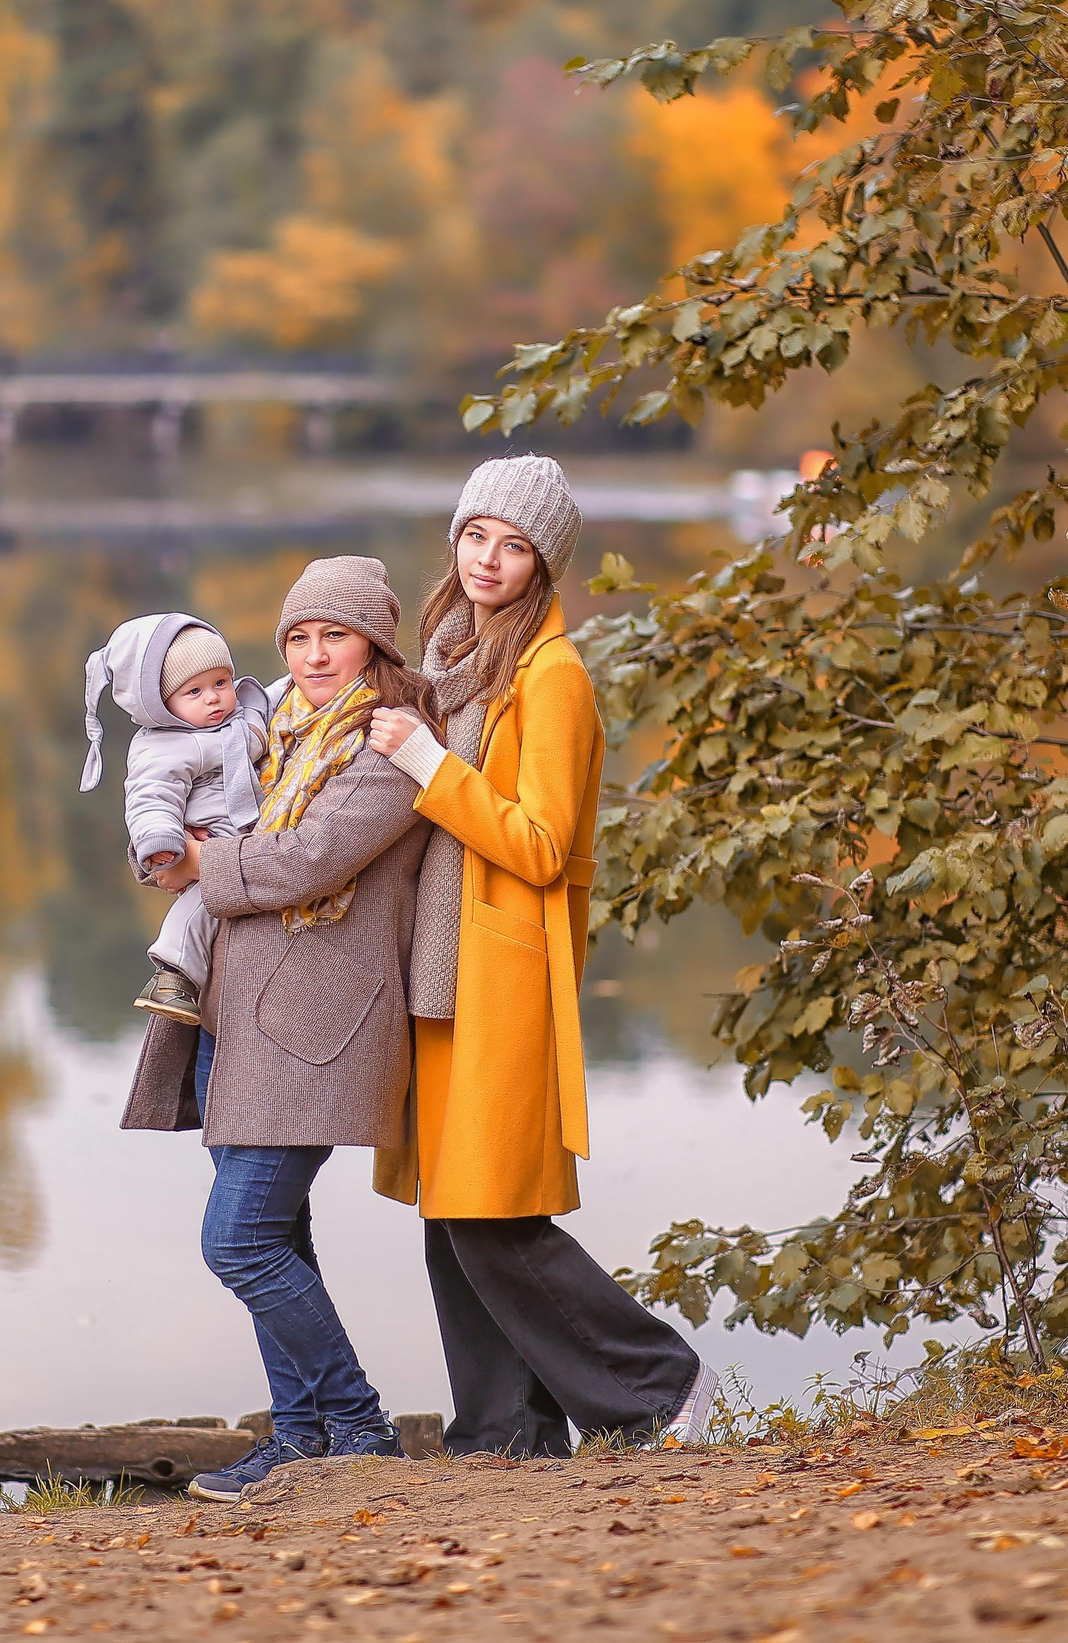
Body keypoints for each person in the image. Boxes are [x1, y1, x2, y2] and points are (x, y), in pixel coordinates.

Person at [368, 454, 729, 1459]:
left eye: (514, 546)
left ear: (544, 564)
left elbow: (540, 844)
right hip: (435, 972)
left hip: (500, 972)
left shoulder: (552, 676)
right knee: (453, 1206)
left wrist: (427, 765)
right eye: (476, 534)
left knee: (491, 1208)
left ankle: (657, 1381)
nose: (488, 559)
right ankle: (506, 1432)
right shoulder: (448, 654)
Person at [119, 556, 440, 1501]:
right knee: (279, 1233)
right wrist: (172, 841)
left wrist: (204, 870)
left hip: (315, 1021)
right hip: (239, 1014)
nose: (311, 654)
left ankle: (361, 1428)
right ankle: (301, 1436)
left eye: (333, 635)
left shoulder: (388, 743)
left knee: (239, 1239)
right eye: (296, 637)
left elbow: (307, 858)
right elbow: (194, 804)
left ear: (373, 642)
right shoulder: (275, 731)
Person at [79, 613, 273, 1023]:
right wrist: (163, 843)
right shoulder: (164, 746)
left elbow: (264, 708)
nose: (213, 699)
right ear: (161, 704)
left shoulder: (238, 719)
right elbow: (151, 795)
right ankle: (173, 973)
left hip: (244, 835)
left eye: (221, 683)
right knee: (205, 900)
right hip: (213, 835)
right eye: (194, 691)